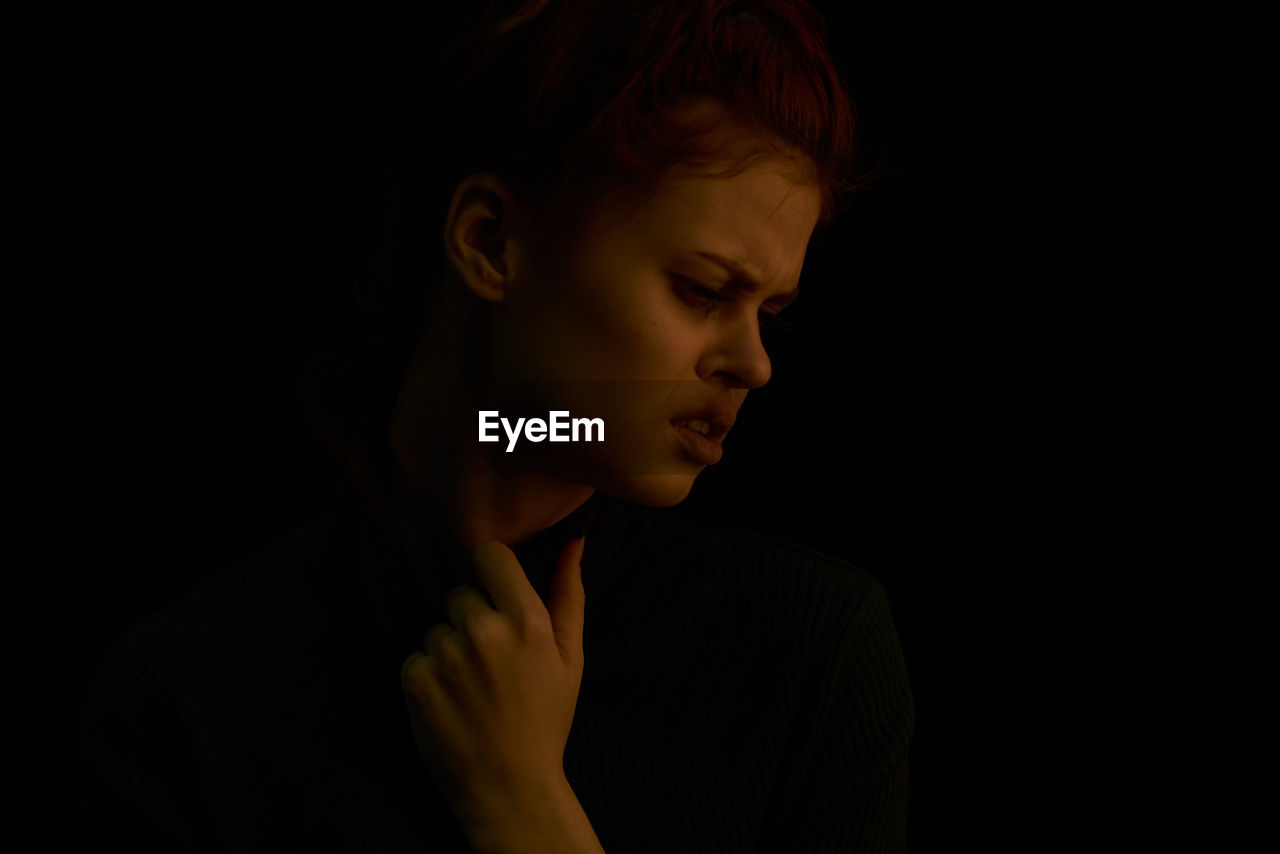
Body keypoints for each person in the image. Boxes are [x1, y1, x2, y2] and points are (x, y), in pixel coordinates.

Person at [79, 1, 914, 851]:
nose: (756, 362)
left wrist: (522, 807)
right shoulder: (191, 694)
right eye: (704, 291)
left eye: (769, 311)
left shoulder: (809, 655)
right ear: (491, 241)